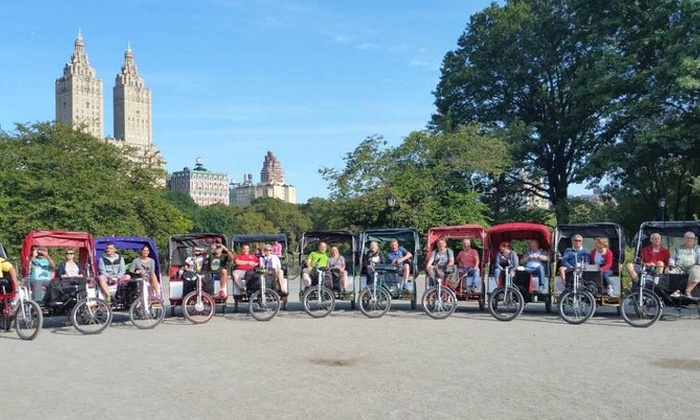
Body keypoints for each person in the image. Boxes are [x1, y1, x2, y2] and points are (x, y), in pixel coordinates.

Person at [668, 231, 700, 298]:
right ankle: (676, 291)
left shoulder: (698, 249)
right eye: (687, 238)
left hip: (692, 267)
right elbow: (672, 259)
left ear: (694, 240)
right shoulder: (678, 249)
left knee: (697, 271)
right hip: (679, 268)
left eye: (691, 238)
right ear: (684, 239)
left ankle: (688, 291)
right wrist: (671, 263)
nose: (689, 239)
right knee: (669, 270)